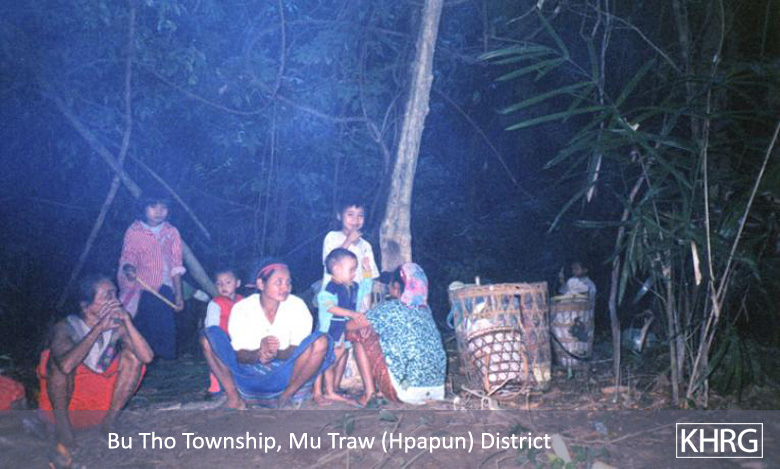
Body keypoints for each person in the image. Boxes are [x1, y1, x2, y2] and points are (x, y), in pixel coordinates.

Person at [37, 274, 153, 448]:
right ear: (85, 305)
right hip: (66, 407)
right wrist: (98, 329)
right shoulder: (66, 327)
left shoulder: (116, 325)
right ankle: (64, 431)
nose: (116, 301)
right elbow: (66, 367)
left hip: (97, 407)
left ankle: (108, 423)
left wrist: (127, 321)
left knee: (133, 356)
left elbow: (147, 357)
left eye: (115, 294)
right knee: (54, 360)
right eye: (108, 296)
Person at [202, 260, 334, 409]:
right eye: (279, 282)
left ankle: (286, 397)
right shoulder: (242, 308)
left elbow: (300, 350)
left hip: (285, 375)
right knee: (209, 337)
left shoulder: (297, 305)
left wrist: (275, 353)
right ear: (261, 284)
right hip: (248, 376)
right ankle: (234, 398)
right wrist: (258, 354)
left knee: (321, 340)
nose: (285, 287)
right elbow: (238, 354)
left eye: (288, 282)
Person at [346, 263, 446, 405]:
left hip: (407, 391)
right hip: (436, 391)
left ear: (397, 287)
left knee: (358, 333)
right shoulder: (426, 310)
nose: (388, 287)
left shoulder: (390, 308)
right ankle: (386, 388)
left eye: (391, 283)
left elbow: (349, 326)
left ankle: (369, 394)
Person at [118, 194, 185, 360]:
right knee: (144, 325)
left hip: (165, 286)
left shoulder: (171, 232)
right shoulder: (134, 231)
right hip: (142, 286)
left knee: (165, 325)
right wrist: (128, 267)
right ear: (143, 207)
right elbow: (128, 255)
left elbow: (176, 264)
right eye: (153, 207)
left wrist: (178, 295)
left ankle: (166, 363)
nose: (159, 212)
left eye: (164, 207)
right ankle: (143, 361)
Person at [313, 249, 372, 405]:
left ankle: (331, 389)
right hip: (330, 332)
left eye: (355, 269)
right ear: (337, 269)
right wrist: (351, 313)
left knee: (336, 360)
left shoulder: (353, 286)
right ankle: (321, 392)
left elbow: (366, 289)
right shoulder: (330, 288)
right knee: (326, 361)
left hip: (342, 331)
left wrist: (367, 272)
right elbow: (329, 306)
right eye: (351, 270)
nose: (354, 273)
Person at [322, 199, 379, 311]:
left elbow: (369, 276)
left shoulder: (366, 246)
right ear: (339, 216)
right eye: (350, 215)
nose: (355, 220)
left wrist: (367, 307)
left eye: (360, 215)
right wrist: (348, 241)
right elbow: (330, 263)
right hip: (333, 302)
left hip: (358, 303)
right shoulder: (332, 237)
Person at [200, 267, 243, 396]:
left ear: (237, 283)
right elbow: (211, 326)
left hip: (239, 339)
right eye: (219, 284)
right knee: (218, 362)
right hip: (222, 340)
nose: (223, 286)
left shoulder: (243, 301)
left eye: (228, 282)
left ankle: (240, 385)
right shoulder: (216, 303)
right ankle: (216, 387)